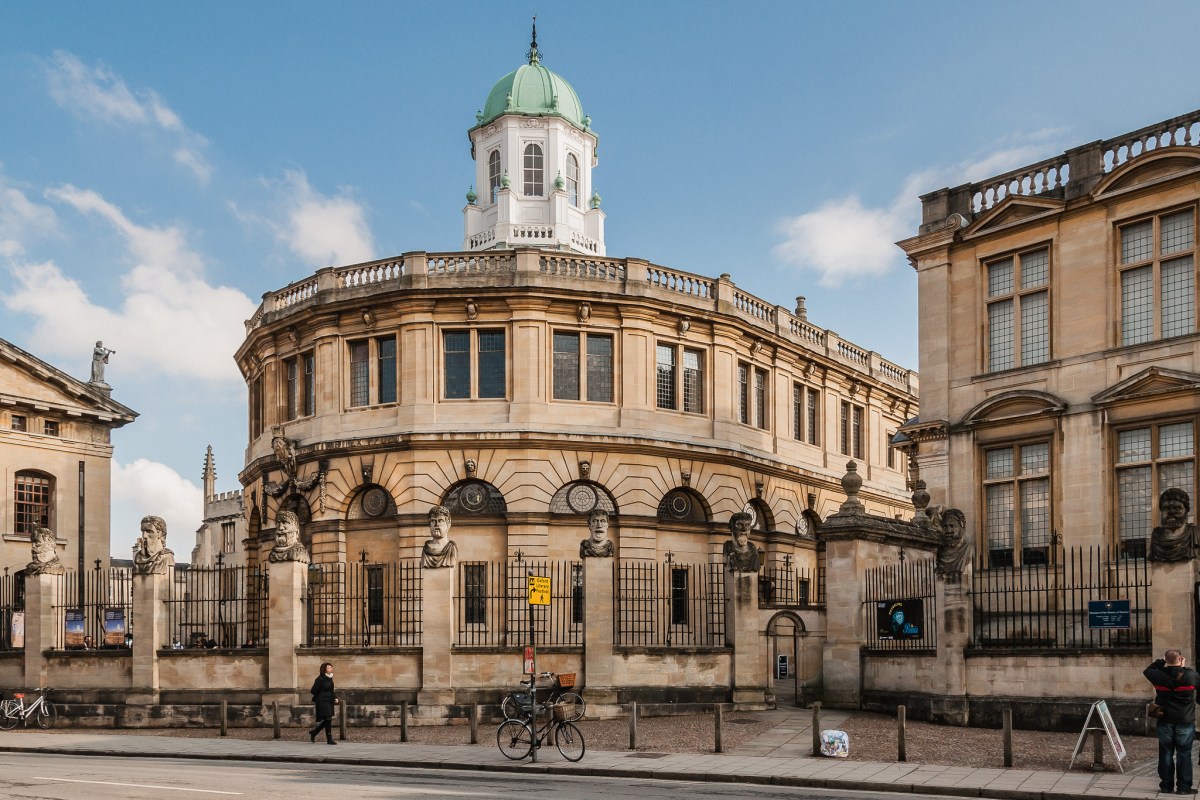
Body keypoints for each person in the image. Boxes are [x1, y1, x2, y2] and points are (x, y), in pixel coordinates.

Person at [1145, 649, 1199, 794]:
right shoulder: (1192, 676)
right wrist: (1182, 666)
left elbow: (1148, 669)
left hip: (1165, 719)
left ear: (1166, 660)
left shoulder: (1158, 675)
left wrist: (1162, 661)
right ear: (1181, 659)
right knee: (1184, 753)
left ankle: (1166, 786)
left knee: (1166, 752)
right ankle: (1183, 787)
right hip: (1185, 720)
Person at [1150, 488, 1198, 562]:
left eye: (1177, 508)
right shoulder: (1156, 535)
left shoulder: (1196, 533)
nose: (1171, 512)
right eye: (1166, 508)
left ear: (1186, 510)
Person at [308, 661, 338, 745]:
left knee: (328, 719)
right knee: (328, 719)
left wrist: (335, 697)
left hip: (329, 701)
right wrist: (321, 696)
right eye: (328, 667)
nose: (330, 668)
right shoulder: (320, 679)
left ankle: (314, 732)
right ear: (324, 669)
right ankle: (329, 738)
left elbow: (331, 690)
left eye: (331, 667)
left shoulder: (330, 678)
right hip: (322, 702)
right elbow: (313, 690)